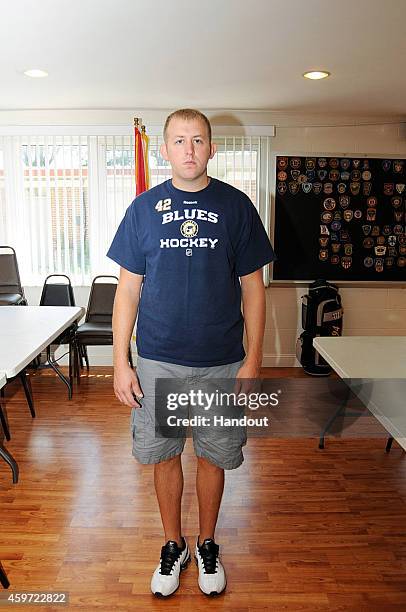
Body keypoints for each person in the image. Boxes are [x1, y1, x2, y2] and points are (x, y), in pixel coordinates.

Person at [107, 108, 276, 597]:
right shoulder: (142, 209)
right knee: (163, 458)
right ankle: (172, 543)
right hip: (158, 360)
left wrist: (253, 361)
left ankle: (206, 543)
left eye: (198, 140)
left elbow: (254, 288)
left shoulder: (237, 206)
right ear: (164, 149)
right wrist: (121, 362)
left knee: (213, 457)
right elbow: (127, 291)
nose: (188, 149)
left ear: (212, 147)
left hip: (222, 361)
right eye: (178, 141)